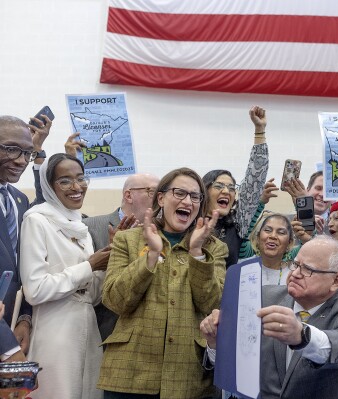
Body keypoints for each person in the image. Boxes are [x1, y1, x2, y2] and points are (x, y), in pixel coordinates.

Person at [98, 167, 227, 399]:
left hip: (189, 375)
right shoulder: (128, 239)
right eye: (179, 193)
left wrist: (197, 253)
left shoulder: (213, 247)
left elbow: (212, 303)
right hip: (129, 374)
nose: (187, 201)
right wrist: (150, 256)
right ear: (161, 198)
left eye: (195, 196)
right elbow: (115, 301)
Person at [200, 236, 338, 399]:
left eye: (308, 269)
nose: (296, 273)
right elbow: (231, 364)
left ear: (335, 281)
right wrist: (216, 343)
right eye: (295, 264)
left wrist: (302, 336)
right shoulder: (262, 297)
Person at [20, 153, 110, 399]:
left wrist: (109, 262)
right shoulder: (37, 221)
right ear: (49, 186)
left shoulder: (81, 226)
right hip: (55, 330)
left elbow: (91, 296)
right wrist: (89, 266)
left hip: (87, 326)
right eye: (65, 181)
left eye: (81, 178)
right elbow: (35, 290)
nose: (76, 187)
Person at [82, 173, 160, 342]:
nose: (159, 198)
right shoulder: (91, 227)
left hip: (147, 336)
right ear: (128, 195)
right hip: (102, 332)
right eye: (152, 191)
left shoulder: (161, 234)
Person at [0, 115, 51, 362]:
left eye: (27, 153)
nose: (21, 161)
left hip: (11, 320)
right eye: (11, 149)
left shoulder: (18, 199)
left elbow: (44, 206)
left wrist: (24, 316)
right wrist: (7, 347)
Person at [203, 106, 268, 267]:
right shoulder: (188, 220)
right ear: (203, 191)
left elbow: (254, 179)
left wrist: (260, 130)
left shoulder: (236, 224)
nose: (227, 191)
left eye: (232, 188)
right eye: (219, 186)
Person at [249, 213, 296, 285]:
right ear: (258, 237)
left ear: (289, 243)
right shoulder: (242, 268)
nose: (273, 236)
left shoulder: (295, 274)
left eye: (281, 232)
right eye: (267, 230)